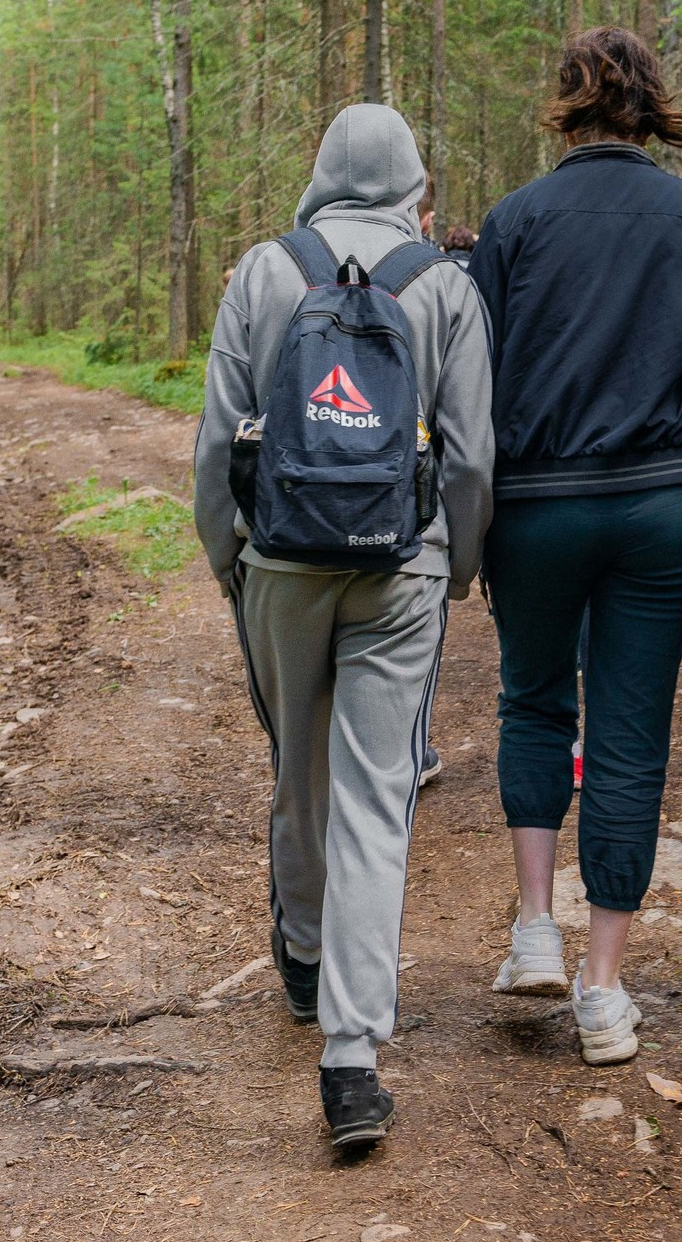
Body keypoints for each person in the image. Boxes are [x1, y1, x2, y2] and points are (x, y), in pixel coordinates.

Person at [194, 104, 495, 1149]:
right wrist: (456, 562)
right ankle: (353, 1056)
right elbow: (470, 453)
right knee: (377, 795)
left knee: (299, 767)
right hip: (402, 564)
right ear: (413, 181)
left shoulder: (263, 270)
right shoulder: (443, 283)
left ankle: (304, 952)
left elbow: (217, 439)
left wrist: (229, 557)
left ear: (321, 170)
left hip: (279, 562)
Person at [467, 27, 682, 1066]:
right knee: (631, 737)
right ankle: (601, 989)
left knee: (533, 701)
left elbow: (474, 371)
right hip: (660, 509)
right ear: (650, 103)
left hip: (535, 506)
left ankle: (533, 928)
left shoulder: (512, 220)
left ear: (567, 105)